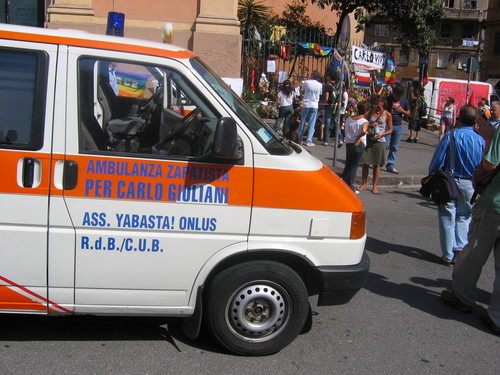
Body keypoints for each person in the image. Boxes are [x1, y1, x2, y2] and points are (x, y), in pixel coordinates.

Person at [440, 120, 500, 334]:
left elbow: (490, 164)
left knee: (474, 250)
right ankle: (497, 317)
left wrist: (489, 138)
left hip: (495, 204)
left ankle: (462, 296)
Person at [428, 105, 485, 266]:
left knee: (447, 217)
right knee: (464, 216)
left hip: (450, 181)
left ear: (459, 118)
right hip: (470, 182)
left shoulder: (451, 136)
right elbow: (483, 164)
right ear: (475, 121)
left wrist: (432, 175)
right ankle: (460, 248)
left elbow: (438, 159)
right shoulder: (480, 140)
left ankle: (447, 256)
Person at [358, 95, 393, 194]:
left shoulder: (387, 114)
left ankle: (374, 186)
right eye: (375, 103)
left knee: (376, 165)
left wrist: (383, 134)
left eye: (378, 103)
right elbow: (365, 122)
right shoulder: (371, 112)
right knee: (365, 162)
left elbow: (391, 130)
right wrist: (370, 125)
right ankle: (363, 183)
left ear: (382, 103)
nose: (376, 105)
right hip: (370, 139)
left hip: (380, 140)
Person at [342, 100, 369, 192]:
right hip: (358, 144)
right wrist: (358, 137)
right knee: (354, 166)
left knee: (348, 165)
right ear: (366, 111)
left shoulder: (350, 118)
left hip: (349, 143)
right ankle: (350, 186)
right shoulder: (364, 121)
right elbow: (364, 131)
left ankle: (343, 183)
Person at [385, 84, 410, 174]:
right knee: (385, 144)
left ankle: (390, 164)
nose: (397, 97)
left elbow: (409, 113)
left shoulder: (404, 100)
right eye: (396, 95)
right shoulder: (388, 99)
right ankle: (379, 162)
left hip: (398, 125)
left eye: (399, 96)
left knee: (394, 147)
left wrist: (401, 111)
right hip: (388, 125)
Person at [297, 70, 322, 146]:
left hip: (306, 104)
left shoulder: (306, 83)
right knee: (312, 123)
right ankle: (309, 140)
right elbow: (320, 94)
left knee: (302, 121)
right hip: (314, 104)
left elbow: (302, 90)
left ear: (312, 76)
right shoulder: (320, 85)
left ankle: (299, 138)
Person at [320, 71, 336, 146]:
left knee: (327, 122)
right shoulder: (339, 85)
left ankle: (326, 140)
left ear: (329, 77)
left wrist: (325, 103)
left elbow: (326, 98)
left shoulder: (328, 86)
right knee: (336, 122)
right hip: (336, 106)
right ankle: (339, 139)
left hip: (329, 105)